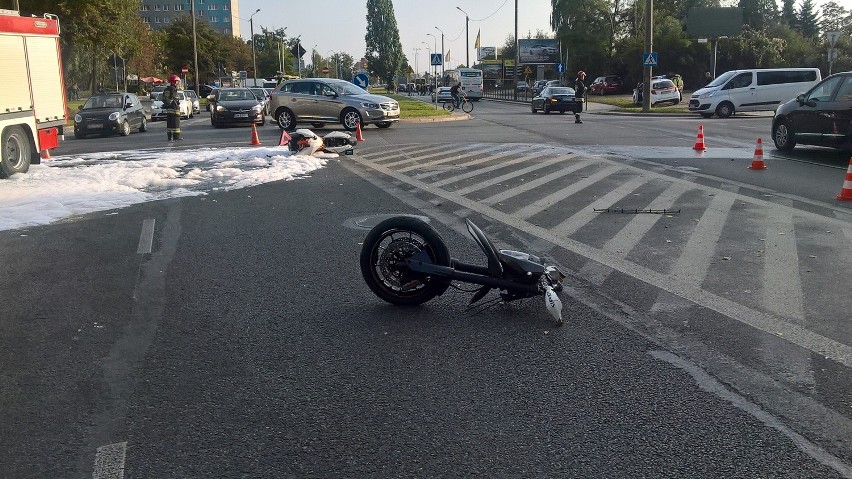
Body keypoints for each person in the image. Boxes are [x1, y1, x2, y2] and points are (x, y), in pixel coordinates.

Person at [162, 74, 182, 141]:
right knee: (176, 124)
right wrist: (176, 101)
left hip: (169, 110)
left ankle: (169, 137)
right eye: (177, 82)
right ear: (174, 82)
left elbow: (163, 98)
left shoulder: (166, 89)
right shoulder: (173, 89)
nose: (178, 83)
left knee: (169, 125)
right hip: (174, 109)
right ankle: (176, 137)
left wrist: (167, 104)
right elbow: (174, 97)